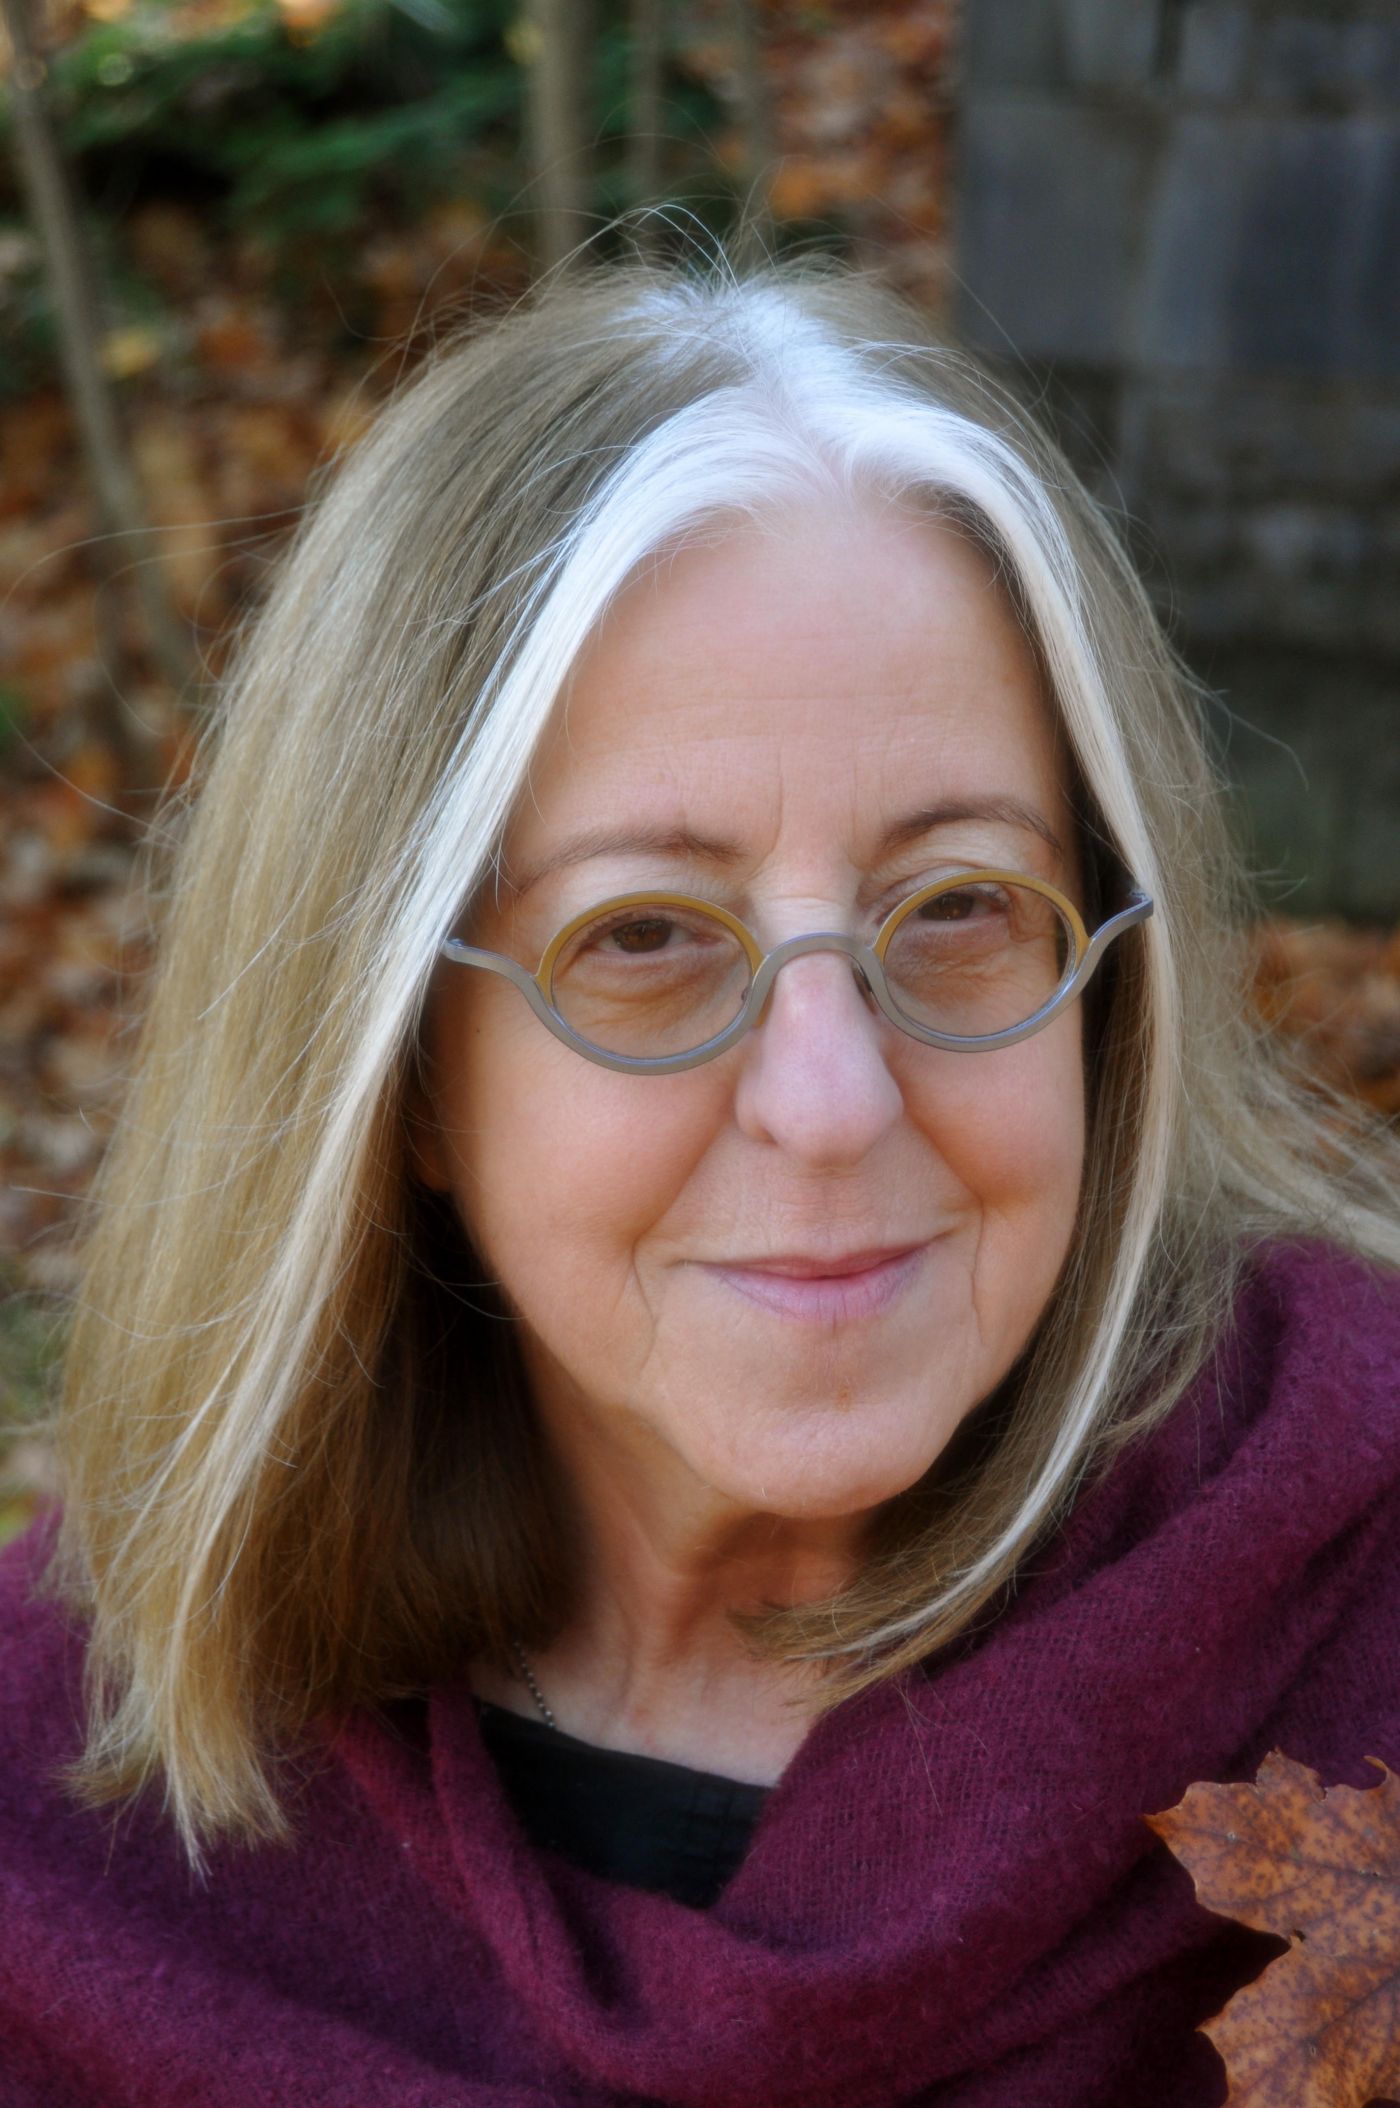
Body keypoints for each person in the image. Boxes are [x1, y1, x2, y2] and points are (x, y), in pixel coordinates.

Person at [2, 257, 1398, 2108]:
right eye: (644, 935)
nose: (829, 1100)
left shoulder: (1359, 1641)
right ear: (399, 1067)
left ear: (1108, 997)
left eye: (963, 906)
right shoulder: (76, 1794)